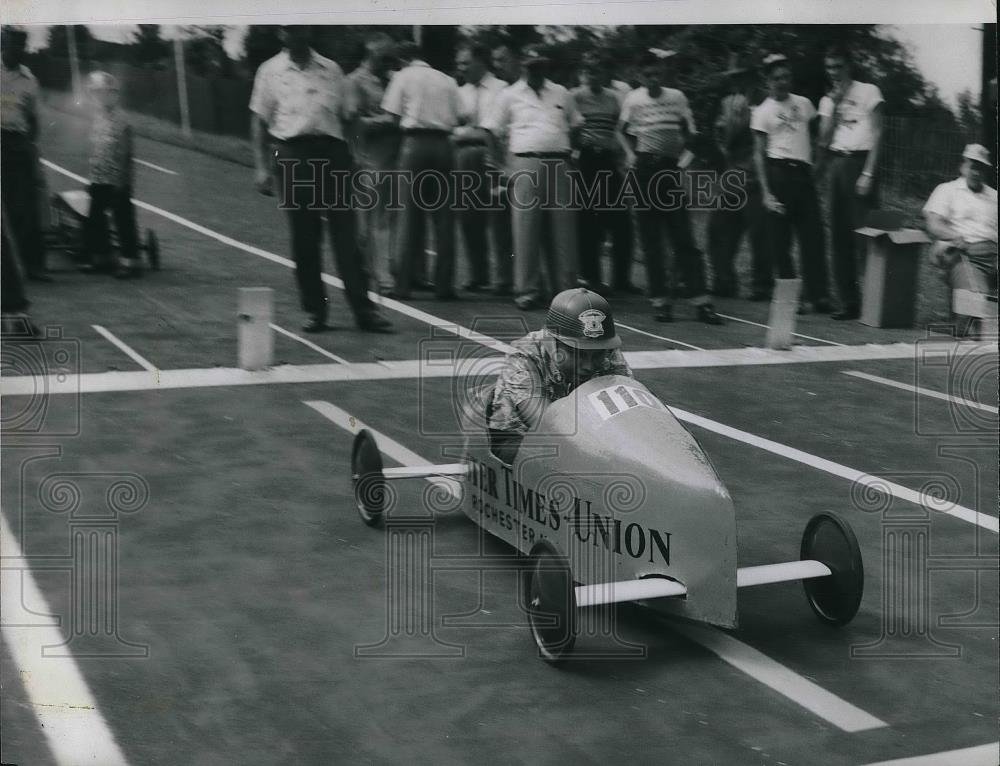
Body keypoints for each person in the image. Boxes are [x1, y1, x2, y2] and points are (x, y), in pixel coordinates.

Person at [250, 26, 393, 334]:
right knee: (304, 238)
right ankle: (315, 310)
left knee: (347, 237)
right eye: (289, 30)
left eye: (300, 29)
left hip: (333, 154)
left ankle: (364, 310)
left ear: (308, 32)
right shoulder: (270, 71)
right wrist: (261, 166)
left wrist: (356, 156)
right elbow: (260, 120)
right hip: (293, 154)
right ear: (281, 34)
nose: (295, 36)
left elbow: (350, 116)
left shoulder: (331, 69)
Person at [618, 50, 722, 324]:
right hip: (644, 168)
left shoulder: (676, 97)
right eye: (647, 75)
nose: (653, 79)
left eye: (657, 74)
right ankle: (660, 301)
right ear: (640, 76)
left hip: (670, 168)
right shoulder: (633, 99)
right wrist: (630, 155)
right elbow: (620, 130)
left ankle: (702, 302)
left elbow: (692, 134)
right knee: (651, 240)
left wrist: (683, 163)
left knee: (683, 237)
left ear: (662, 74)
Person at [483, 46, 582, 311]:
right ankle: (527, 291)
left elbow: (577, 125)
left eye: (540, 65)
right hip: (525, 161)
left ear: (546, 66)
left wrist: (572, 156)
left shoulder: (562, 92)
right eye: (530, 65)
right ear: (523, 66)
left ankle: (566, 293)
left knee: (563, 229)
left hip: (559, 162)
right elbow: (491, 131)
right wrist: (502, 166)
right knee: (525, 228)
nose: (535, 69)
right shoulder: (508, 95)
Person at [488, 288, 632, 462]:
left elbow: (628, 410)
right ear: (551, 342)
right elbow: (545, 423)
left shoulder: (608, 351)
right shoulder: (524, 355)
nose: (588, 365)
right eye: (576, 353)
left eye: (597, 355)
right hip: (520, 435)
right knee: (559, 460)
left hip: (588, 435)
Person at [380, 33, 463, 301]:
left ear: (403, 59)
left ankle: (403, 284)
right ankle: (444, 285)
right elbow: (461, 115)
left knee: (408, 216)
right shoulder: (447, 80)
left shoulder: (402, 77)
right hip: (443, 145)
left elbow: (392, 117)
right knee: (444, 219)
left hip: (415, 144)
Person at [751, 54, 832, 314]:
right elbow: (758, 154)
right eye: (776, 78)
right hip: (777, 174)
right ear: (768, 81)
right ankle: (790, 298)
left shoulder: (805, 104)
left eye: (785, 76)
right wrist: (765, 192)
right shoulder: (762, 111)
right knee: (780, 241)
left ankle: (818, 296)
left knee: (813, 237)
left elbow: (819, 138)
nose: (782, 82)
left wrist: (817, 171)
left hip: (803, 175)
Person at [817, 45, 884, 320]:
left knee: (866, 236)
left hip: (860, 162)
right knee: (839, 236)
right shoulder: (826, 100)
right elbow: (823, 139)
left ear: (849, 66)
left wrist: (868, 173)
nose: (834, 73)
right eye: (830, 68)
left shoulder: (869, 91)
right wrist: (834, 104)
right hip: (836, 162)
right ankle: (848, 301)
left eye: (838, 67)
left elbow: (879, 133)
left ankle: (874, 301)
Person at [572, 52, 635, 296]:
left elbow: (621, 129)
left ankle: (622, 279)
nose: (593, 76)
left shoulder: (614, 98)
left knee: (621, 222)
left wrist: (621, 155)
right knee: (588, 222)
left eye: (597, 71)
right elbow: (568, 126)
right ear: (583, 74)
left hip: (608, 160)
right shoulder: (575, 96)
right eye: (588, 71)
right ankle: (591, 278)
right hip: (586, 160)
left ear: (605, 73)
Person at [707, 58, 769, 301]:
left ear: (752, 76)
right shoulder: (728, 102)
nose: (736, 81)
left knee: (760, 235)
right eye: (733, 77)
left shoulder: (766, 100)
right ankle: (724, 281)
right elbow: (721, 135)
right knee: (718, 230)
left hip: (757, 175)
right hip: (732, 174)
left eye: (741, 76)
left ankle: (762, 286)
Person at [453, 43, 512, 295]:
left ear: (480, 62)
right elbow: (451, 127)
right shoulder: (459, 92)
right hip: (465, 155)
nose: (461, 68)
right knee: (469, 216)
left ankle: (504, 277)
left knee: (500, 217)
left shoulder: (502, 89)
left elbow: (501, 128)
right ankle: (478, 274)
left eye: (465, 63)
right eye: (459, 63)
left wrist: (468, 132)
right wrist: (468, 132)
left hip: (495, 155)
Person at [923, 144, 997, 334]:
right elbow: (933, 224)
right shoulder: (947, 190)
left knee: (983, 317)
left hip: (994, 256)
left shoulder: (994, 196)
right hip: (964, 254)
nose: (976, 172)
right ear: (962, 166)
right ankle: (966, 323)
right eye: (973, 166)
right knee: (976, 305)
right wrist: (955, 236)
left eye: (981, 168)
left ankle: (971, 320)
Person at [347, 33, 400, 296]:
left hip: (391, 159)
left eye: (390, 58)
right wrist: (388, 120)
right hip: (367, 160)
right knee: (366, 222)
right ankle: (372, 274)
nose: (388, 63)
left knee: (383, 220)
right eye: (383, 58)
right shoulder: (355, 82)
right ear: (370, 55)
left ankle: (379, 273)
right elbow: (355, 123)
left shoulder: (391, 81)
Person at [80, 72, 141, 279]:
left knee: (123, 219)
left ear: (113, 95)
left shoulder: (122, 120)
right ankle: (101, 257)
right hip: (99, 177)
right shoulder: (97, 117)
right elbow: (95, 148)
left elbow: (125, 152)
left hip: (116, 179)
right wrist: (91, 177)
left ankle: (130, 261)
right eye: (96, 94)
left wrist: (121, 180)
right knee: (95, 219)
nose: (99, 98)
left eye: (104, 93)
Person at [1, 26, 48, 282]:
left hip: (17, 143)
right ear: (2, 45)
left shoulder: (29, 81)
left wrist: (29, 146)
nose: (17, 51)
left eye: (21, 46)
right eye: (11, 46)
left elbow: (34, 120)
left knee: (25, 206)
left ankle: (33, 266)